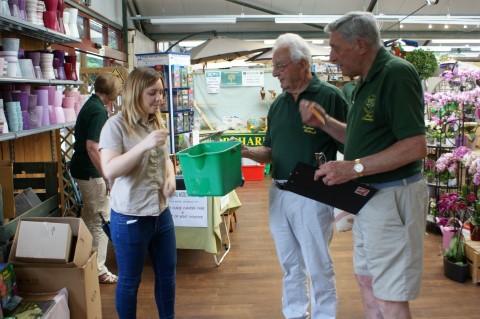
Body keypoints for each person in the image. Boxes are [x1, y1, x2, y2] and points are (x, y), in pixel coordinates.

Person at [299, 12, 429, 319]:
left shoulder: (396, 74)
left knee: (390, 296)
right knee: (368, 282)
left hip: (393, 198)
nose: (331, 57)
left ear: (360, 45)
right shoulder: (364, 82)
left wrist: (352, 168)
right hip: (371, 198)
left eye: (335, 48)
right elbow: (362, 140)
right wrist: (325, 123)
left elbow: (415, 146)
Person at [241, 33, 348, 319]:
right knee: (289, 262)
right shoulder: (278, 105)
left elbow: (350, 144)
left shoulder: (330, 97)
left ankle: (324, 314)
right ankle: (295, 313)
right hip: (278, 191)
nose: (275, 73)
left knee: (317, 262)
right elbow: (271, 151)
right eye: (274, 67)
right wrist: (246, 152)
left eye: (280, 65)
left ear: (302, 63)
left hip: (313, 191)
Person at [99, 66, 177, 319]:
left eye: (161, 92)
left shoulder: (156, 121)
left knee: (167, 276)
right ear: (135, 93)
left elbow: (165, 158)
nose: (159, 99)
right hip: (130, 217)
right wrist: (144, 145)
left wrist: (170, 177)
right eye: (152, 93)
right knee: (130, 282)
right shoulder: (115, 126)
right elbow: (109, 169)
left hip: (161, 214)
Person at [70, 72, 122, 284]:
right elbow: (92, 146)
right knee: (101, 219)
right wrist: (107, 175)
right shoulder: (98, 110)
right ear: (112, 93)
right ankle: (98, 269)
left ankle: (83, 264)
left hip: (82, 169)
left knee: (90, 217)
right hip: (91, 172)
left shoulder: (90, 104)